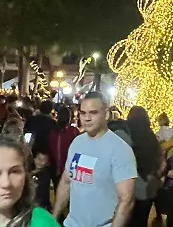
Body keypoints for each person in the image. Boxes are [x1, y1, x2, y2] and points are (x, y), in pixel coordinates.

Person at [52, 92, 137, 227]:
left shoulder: (120, 149)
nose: (87, 118)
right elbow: (66, 182)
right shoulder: (77, 143)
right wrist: (54, 218)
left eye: (93, 113)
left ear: (106, 114)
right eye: (83, 113)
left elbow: (127, 200)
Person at [126, 106, 165, 227]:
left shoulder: (128, 135)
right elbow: (162, 161)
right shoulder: (151, 136)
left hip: (131, 185)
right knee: (142, 220)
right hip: (149, 185)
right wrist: (156, 176)